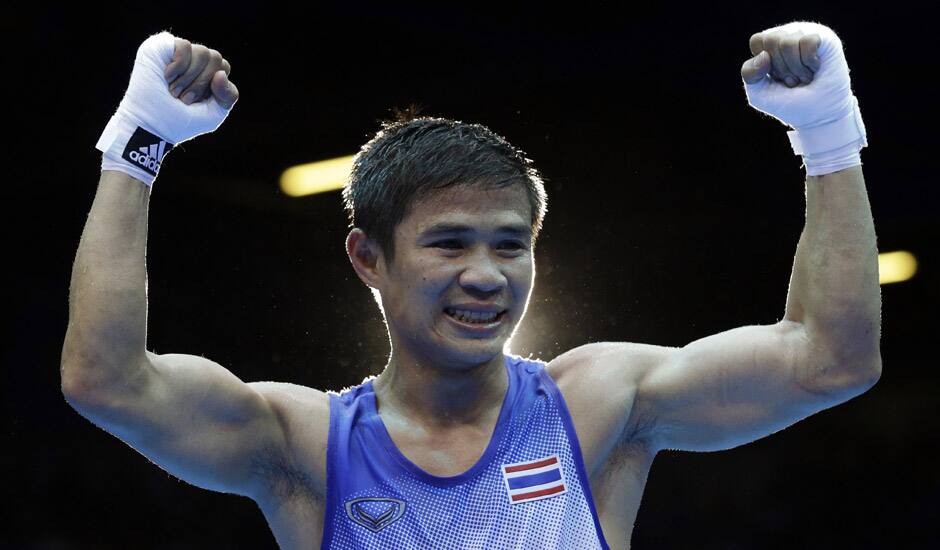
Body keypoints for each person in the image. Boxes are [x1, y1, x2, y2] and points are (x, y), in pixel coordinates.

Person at [61, 21, 881, 549]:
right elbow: (106, 381)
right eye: (449, 244)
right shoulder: (305, 445)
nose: (485, 277)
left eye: (510, 245)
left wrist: (828, 135)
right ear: (366, 257)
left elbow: (831, 359)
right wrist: (140, 144)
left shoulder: (598, 403)